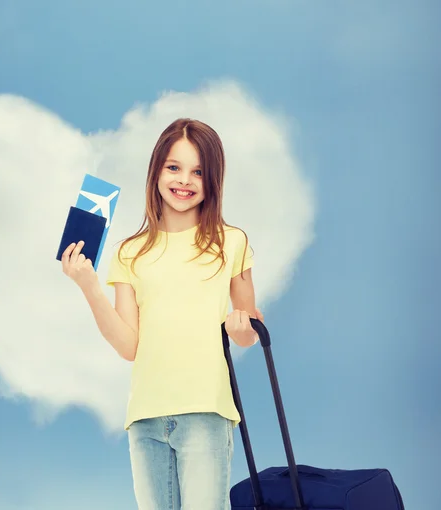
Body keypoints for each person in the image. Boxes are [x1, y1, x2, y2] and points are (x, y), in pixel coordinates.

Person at [61, 118, 263, 509]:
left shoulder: (230, 241)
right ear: (156, 170)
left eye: (198, 171)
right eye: (174, 167)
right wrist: (88, 285)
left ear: (213, 179)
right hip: (146, 418)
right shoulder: (128, 252)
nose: (184, 180)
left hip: (206, 412)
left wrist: (243, 327)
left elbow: (249, 326)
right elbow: (129, 346)